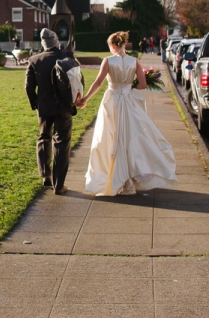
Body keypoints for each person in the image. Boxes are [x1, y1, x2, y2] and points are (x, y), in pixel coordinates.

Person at [76, 31, 177, 196]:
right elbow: (143, 85)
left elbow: (99, 82)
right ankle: (129, 178)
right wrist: (129, 88)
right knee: (130, 139)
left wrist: (86, 99)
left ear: (113, 45)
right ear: (124, 45)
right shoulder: (134, 61)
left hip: (112, 102)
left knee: (110, 138)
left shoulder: (107, 61)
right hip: (129, 102)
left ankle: (112, 177)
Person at [25, 28, 76, 195]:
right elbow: (76, 79)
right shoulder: (66, 55)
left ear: (42, 43)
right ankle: (59, 184)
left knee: (43, 138)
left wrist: (35, 104)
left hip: (44, 106)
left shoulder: (34, 60)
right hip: (63, 106)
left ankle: (46, 175)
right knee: (62, 143)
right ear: (56, 41)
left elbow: (29, 87)